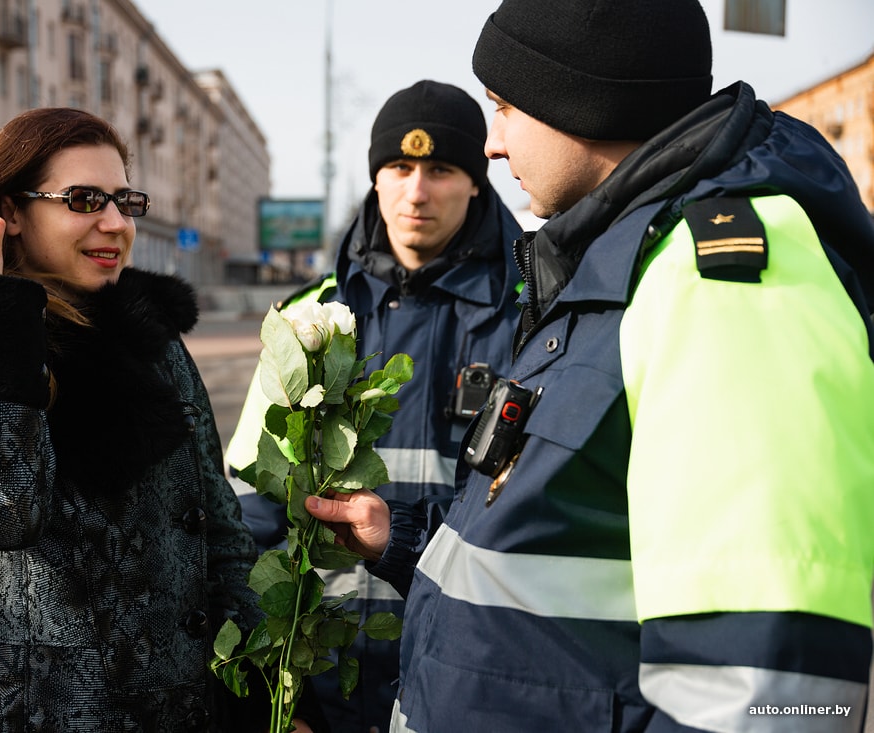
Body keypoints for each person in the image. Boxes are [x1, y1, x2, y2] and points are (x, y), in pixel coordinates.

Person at [305, 1, 874, 731]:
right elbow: (567, 547)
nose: (494, 145)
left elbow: (770, 693)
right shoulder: (619, 267)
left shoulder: (721, 283)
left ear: (582, 101)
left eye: (505, 109)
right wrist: (406, 538)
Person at [0, 107, 325, 733]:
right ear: (10, 211)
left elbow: (219, 534)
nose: (117, 223)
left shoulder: (147, 336)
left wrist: (274, 697)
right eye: (84, 199)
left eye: (124, 200)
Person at [226, 80, 523, 731]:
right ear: (376, 176)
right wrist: (275, 694)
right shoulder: (307, 318)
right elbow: (249, 516)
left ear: (476, 180)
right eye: (399, 167)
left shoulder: (533, 319)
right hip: (322, 689)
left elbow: (531, 523)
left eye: (441, 169)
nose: (416, 192)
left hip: (467, 685)